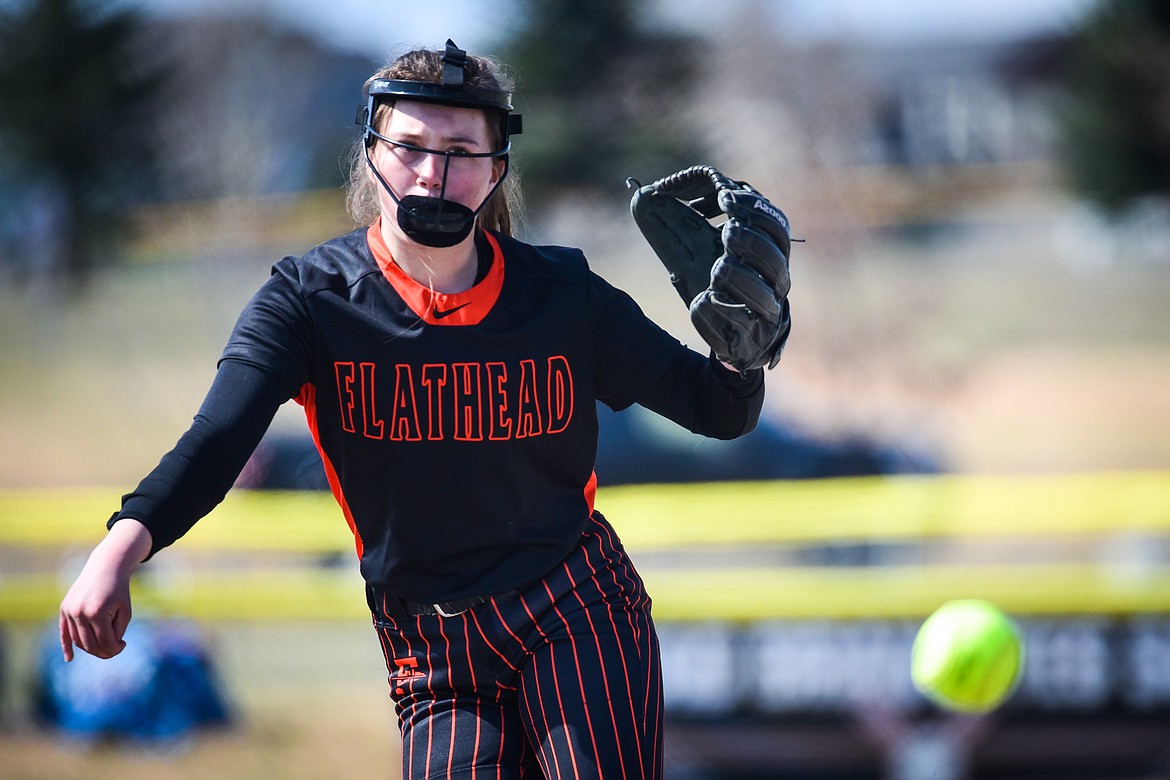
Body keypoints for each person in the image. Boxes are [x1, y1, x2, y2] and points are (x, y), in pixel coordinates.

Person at [59, 40, 781, 779]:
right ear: (372, 151)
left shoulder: (562, 294)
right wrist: (121, 547)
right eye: (411, 146)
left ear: (497, 166)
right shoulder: (308, 303)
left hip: (573, 607)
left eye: (462, 149)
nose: (434, 171)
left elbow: (715, 410)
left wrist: (740, 354)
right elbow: (216, 441)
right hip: (432, 652)